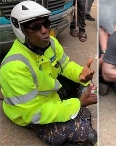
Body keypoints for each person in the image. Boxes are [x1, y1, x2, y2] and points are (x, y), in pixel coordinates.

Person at [0, 1, 97, 145]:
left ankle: (69, 109)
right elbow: (32, 112)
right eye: (36, 27)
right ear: (21, 30)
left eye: (46, 23)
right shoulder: (14, 67)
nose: (45, 30)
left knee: (89, 85)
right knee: (88, 136)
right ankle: (48, 126)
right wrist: (78, 104)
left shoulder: (50, 43)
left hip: (49, 95)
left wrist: (80, 74)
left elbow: (65, 65)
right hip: (31, 113)